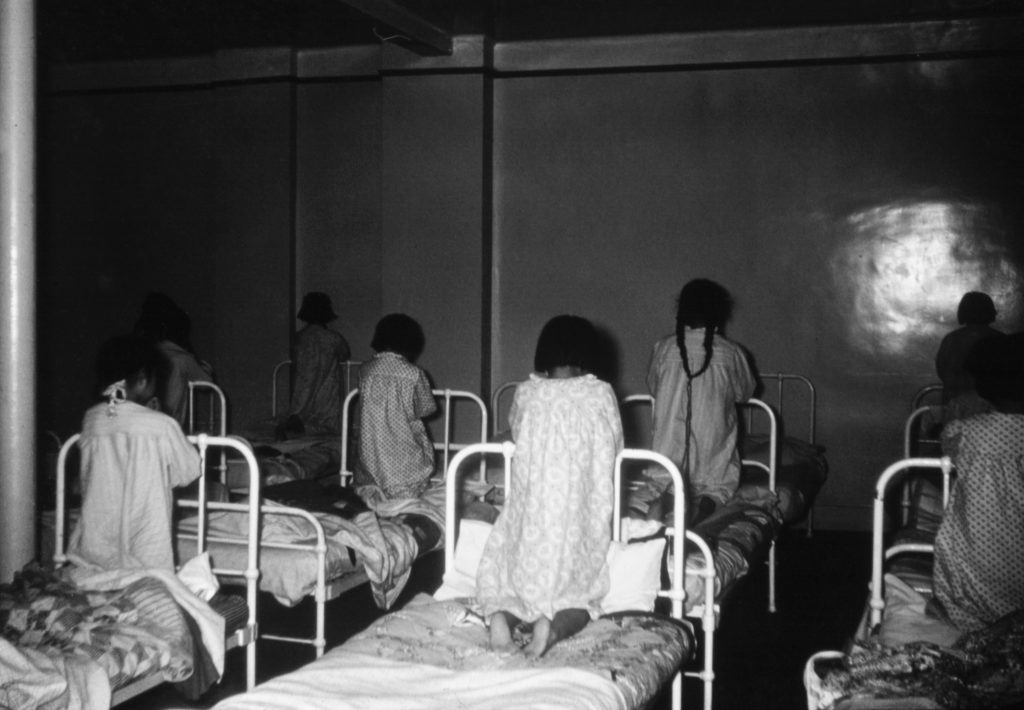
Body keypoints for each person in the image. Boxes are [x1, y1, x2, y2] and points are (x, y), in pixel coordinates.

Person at [476, 315, 623, 657]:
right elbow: (615, 447)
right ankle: (552, 627)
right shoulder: (600, 394)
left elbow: (515, 429)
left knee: (510, 585)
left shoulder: (527, 393)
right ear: (590, 354)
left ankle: (502, 618)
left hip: (530, 521)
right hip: (576, 521)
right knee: (583, 596)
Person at [67, 334, 201, 572]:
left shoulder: (92, 419)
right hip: (145, 540)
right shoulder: (162, 425)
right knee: (152, 585)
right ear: (142, 379)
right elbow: (189, 471)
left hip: (96, 544)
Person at [932, 331, 1024, 632]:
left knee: (952, 543)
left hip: (976, 554)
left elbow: (947, 457)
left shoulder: (964, 430)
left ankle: (968, 615)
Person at [647, 279, 756, 525]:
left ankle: (662, 502)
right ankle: (700, 510)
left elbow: (652, 387)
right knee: (718, 487)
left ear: (681, 313)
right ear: (718, 315)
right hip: (711, 456)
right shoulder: (731, 353)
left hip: (668, 457)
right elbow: (745, 393)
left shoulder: (663, 349)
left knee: (666, 480)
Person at [353, 314, 437, 500]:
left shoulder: (365, 370)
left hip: (370, 449)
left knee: (368, 460)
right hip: (401, 451)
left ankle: (374, 492)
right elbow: (427, 408)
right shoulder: (413, 373)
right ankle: (404, 491)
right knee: (413, 453)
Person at [275, 292, 351, 440]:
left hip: (304, 382)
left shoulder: (300, 337)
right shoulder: (333, 338)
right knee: (326, 416)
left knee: (302, 407)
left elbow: (294, 356)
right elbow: (344, 354)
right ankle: (301, 427)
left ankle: (296, 423)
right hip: (327, 382)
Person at [134, 292, 214, 429]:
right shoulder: (183, 359)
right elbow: (206, 383)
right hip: (168, 427)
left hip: (137, 426)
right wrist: (203, 366)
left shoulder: (138, 353)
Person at [935, 291, 1004, 424]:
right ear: (990, 311)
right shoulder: (1001, 340)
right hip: (991, 411)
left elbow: (942, 370)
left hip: (954, 407)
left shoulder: (951, 339)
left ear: (963, 312)